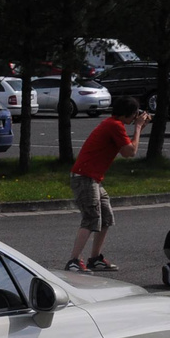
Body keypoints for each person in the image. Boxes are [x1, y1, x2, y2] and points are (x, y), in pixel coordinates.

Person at [66, 96, 150, 272]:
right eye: (135, 114)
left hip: (93, 178)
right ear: (129, 114)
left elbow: (126, 149)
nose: (136, 117)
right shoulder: (114, 125)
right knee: (91, 219)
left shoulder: (113, 125)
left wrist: (138, 128)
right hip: (85, 177)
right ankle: (73, 260)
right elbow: (130, 152)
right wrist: (138, 127)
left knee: (105, 217)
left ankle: (95, 258)